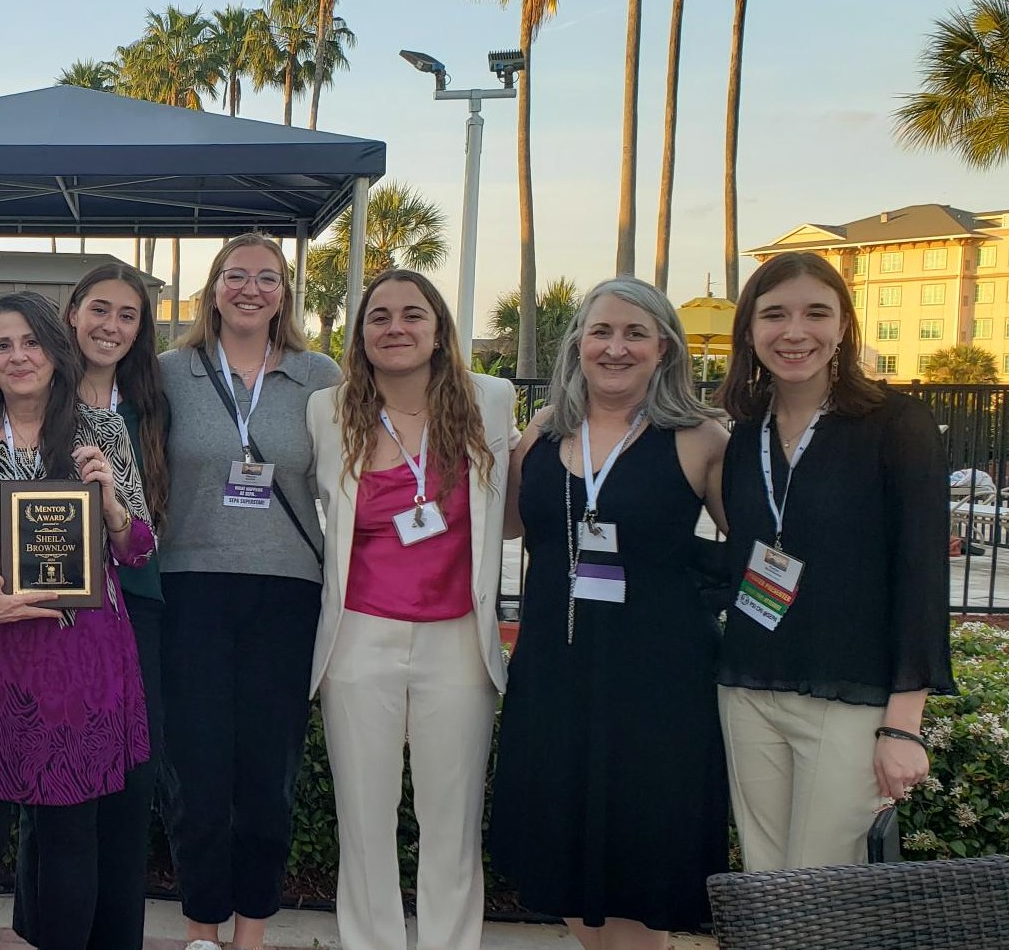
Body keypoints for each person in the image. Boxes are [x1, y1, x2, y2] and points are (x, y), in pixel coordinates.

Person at [489, 277, 731, 950]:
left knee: (639, 864)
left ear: (663, 348)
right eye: (600, 331)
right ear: (578, 344)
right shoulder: (542, 432)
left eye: (633, 334)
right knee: (565, 855)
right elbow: (503, 523)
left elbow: (750, 556)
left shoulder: (700, 438)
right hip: (555, 674)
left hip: (656, 689)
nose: (615, 347)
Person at [0, 292, 155, 950]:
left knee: (71, 832)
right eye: (2, 344)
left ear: (56, 349)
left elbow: (138, 546)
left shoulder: (100, 432)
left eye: (31, 342)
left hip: (78, 659)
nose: (18, 356)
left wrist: (110, 505)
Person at [713, 252, 954, 871]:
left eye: (816, 313)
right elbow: (735, 554)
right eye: (775, 315)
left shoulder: (897, 424)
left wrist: (903, 725)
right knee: (768, 886)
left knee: (822, 885)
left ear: (843, 326)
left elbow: (921, 577)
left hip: (849, 696)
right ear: (750, 330)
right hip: (748, 687)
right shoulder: (744, 434)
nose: (795, 332)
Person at [307, 270, 516, 950]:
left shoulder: (491, 400)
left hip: (456, 639)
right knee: (362, 819)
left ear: (438, 329)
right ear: (360, 335)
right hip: (357, 636)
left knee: (450, 821)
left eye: (411, 314)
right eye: (378, 317)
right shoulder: (326, 409)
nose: (394, 327)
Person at [158, 233, 339, 950]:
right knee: (195, 771)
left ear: (284, 293)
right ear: (213, 287)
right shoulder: (169, 370)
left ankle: (251, 929)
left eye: (267, 278)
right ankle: (202, 927)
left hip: (287, 589)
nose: (250, 289)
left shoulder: (318, 373)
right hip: (189, 585)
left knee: (269, 773)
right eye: (236, 275)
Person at [12, 264, 173, 949]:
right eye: (98, 309)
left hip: (137, 603)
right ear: (71, 312)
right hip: (57, 612)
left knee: (130, 784)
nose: (111, 325)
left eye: (127, 315)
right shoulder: (38, 394)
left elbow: (145, 523)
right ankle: (50, 928)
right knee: (59, 787)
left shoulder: (151, 401)